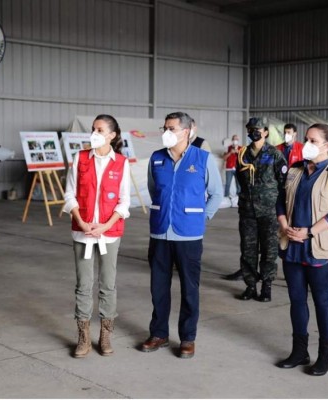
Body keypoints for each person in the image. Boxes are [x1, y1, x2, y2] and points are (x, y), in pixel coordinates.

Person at [141, 112, 222, 359]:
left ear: (186, 132)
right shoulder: (156, 158)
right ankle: (159, 334)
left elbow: (216, 194)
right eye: (165, 127)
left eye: (172, 128)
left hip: (188, 236)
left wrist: (201, 217)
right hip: (160, 233)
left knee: (189, 290)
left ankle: (187, 338)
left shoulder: (203, 158)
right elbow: (155, 190)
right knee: (158, 288)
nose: (167, 132)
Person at [276, 123, 328, 376]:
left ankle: (324, 356)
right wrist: (285, 225)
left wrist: (309, 231)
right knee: (297, 300)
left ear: (327, 145)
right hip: (292, 245)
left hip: (319, 246)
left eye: (312, 140)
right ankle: (299, 351)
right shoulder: (295, 170)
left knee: (322, 300)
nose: (306, 144)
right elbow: (281, 199)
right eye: (306, 139)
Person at [63, 114, 131, 358]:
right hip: (82, 232)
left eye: (100, 129)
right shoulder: (80, 158)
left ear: (112, 135)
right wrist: (81, 221)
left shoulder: (121, 162)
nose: (94, 133)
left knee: (107, 284)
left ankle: (105, 335)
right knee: (83, 285)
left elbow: (124, 202)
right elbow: (69, 194)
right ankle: (83, 337)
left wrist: (104, 226)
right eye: (93, 128)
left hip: (109, 233)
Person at [233, 117, 287, 302]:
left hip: (269, 211)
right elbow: (240, 180)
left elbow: (283, 183)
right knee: (248, 250)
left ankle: (267, 286)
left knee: (269, 250)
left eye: (257, 129)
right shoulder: (242, 154)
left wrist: (282, 211)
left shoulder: (275, 154)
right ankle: (250, 286)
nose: (253, 132)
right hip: (247, 210)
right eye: (250, 129)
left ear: (265, 132)